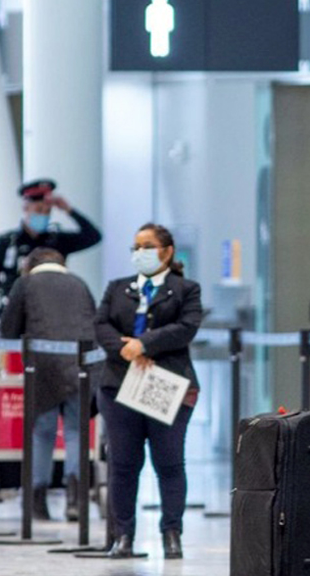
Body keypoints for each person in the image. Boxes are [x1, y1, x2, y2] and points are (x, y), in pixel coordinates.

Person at [94, 223, 202, 560]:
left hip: (167, 385)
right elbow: (100, 325)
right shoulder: (118, 288)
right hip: (118, 386)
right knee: (123, 464)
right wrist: (125, 349)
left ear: (167, 252)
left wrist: (144, 344)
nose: (140, 252)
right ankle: (123, 535)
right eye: (136, 247)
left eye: (148, 246)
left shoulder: (186, 289)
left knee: (169, 462)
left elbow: (186, 327)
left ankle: (172, 533)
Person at [0, 248, 96, 522]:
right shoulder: (79, 283)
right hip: (81, 365)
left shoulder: (26, 283)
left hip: (43, 367)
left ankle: (36, 502)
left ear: (30, 265)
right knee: (76, 432)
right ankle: (75, 500)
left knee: (42, 432)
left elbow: (8, 329)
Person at [0, 179, 103, 322]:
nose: (43, 216)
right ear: (26, 207)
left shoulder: (57, 241)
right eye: (39, 210)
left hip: (49, 318)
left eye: (47, 211)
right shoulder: (8, 242)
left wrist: (69, 210)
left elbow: (93, 236)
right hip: (13, 316)